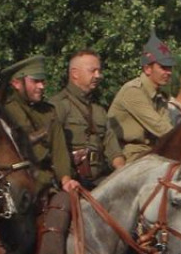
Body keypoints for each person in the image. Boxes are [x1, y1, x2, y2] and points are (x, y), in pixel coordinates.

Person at [0, 55, 79, 254]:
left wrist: (67, 179)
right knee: (26, 239)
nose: (42, 86)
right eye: (37, 81)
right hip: (17, 188)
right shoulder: (6, 112)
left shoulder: (49, 112)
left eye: (44, 81)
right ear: (18, 83)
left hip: (48, 185)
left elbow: (59, 151)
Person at [51, 50, 125, 188]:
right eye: (92, 71)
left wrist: (123, 170)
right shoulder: (58, 106)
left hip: (99, 180)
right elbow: (53, 149)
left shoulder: (99, 111)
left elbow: (112, 147)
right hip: (71, 181)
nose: (98, 75)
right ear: (75, 73)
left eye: (99, 71)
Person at [107, 28, 176, 163]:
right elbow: (161, 128)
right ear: (147, 69)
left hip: (150, 152)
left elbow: (166, 128)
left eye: (170, 68)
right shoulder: (133, 91)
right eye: (163, 67)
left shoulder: (160, 96)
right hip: (127, 154)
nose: (168, 72)